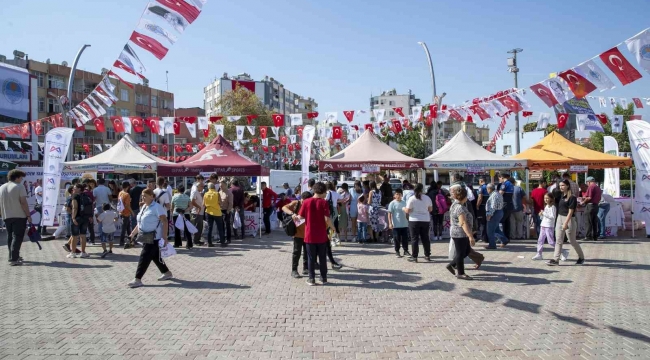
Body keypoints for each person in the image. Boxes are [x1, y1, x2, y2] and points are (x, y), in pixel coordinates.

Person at [127, 188, 172, 288]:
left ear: (152, 197)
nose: (143, 198)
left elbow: (164, 221)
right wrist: (133, 233)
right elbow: (140, 222)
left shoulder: (157, 207)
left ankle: (137, 279)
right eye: (142, 196)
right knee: (155, 256)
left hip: (154, 237)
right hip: (145, 236)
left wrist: (165, 236)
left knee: (144, 256)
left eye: (145, 196)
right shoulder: (144, 207)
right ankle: (166, 272)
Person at [298, 182, 336, 286]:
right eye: (325, 192)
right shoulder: (324, 202)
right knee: (322, 257)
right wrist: (334, 228)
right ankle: (323, 278)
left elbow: (300, 217)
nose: (325, 194)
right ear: (323, 191)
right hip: (321, 235)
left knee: (311, 258)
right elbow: (327, 219)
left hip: (309, 235)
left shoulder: (306, 202)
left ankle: (311, 279)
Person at [547, 179, 585, 266]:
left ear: (568, 186)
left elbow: (571, 212)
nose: (561, 187)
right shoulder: (560, 195)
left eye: (563, 185)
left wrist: (565, 223)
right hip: (560, 217)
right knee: (558, 240)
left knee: (572, 241)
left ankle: (581, 257)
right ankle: (555, 259)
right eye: (560, 185)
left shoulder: (572, 197)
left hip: (569, 219)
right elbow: (553, 193)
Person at [0, 169, 31, 266]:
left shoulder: (2, 187)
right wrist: (28, 215)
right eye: (21, 178)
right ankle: (13, 258)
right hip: (19, 215)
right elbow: (23, 202)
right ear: (17, 177)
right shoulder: (19, 186)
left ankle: (13, 255)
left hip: (6, 215)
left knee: (10, 236)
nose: (21, 180)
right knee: (17, 237)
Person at [445, 186, 476, 280]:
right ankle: (460, 273)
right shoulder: (459, 207)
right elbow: (463, 222)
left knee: (466, 251)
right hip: (460, 233)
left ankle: (453, 264)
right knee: (460, 253)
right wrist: (470, 236)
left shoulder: (456, 204)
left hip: (460, 232)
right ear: (464, 197)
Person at [282, 191, 311, 278]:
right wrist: (292, 214)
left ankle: (306, 268)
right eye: (302, 201)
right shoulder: (296, 203)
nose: (303, 203)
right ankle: (294, 270)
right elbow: (284, 207)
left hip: (308, 233)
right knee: (296, 252)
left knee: (307, 252)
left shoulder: (310, 205)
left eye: (305, 201)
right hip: (297, 233)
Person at [404, 183, 432, 262]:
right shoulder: (427, 198)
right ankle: (427, 255)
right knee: (425, 238)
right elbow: (430, 209)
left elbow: (408, 210)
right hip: (425, 220)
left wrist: (404, 209)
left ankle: (415, 257)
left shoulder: (412, 198)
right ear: (422, 189)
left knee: (414, 239)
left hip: (414, 220)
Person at [69, 183, 92, 259]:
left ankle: (73, 253)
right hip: (85, 218)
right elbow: (90, 206)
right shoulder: (86, 196)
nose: (73, 189)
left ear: (79, 189)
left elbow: (74, 208)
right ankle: (83, 252)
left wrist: (73, 218)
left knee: (74, 236)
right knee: (83, 235)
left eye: (75, 187)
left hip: (77, 218)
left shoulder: (75, 196)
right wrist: (90, 216)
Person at [533, 193, 556, 260]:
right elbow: (544, 217)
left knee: (550, 241)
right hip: (543, 225)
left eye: (547, 198)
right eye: (545, 198)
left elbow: (552, 217)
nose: (546, 200)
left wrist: (544, 213)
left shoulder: (553, 207)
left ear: (551, 199)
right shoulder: (546, 206)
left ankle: (562, 251)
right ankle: (539, 254)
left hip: (549, 226)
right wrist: (541, 215)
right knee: (540, 240)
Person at [485, 183, 508, 249]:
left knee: (490, 230)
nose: (487, 190)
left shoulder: (494, 195)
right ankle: (504, 239)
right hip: (499, 212)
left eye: (487, 189)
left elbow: (493, 206)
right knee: (496, 229)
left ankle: (492, 245)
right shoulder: (497, 194)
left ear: (489, 189)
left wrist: (489, 214)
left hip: (495, 213)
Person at [388, 188, 409, 258]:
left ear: (402, 195)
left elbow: (407, 213)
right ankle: (397, 251)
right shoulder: (392, 203)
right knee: (396, 239)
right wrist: (390, 223)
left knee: (405, 238)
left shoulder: (404, 202)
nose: (398, 196)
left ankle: (406, 250)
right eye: (397, 194)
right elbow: (389, 214)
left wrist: (408, 220)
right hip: (396, 225)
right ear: (394, 195)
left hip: (404, 224)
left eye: (400, 194)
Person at [581, 176, 602, 242]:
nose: (587, 184)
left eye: (587, 183)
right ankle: (595, 236)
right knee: (594, 221)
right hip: (596, 205)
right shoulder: (597, 187)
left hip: (590, 206)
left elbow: (589, 197)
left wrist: (582, 202)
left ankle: (588, 236)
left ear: (589, 182)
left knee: (588, 221)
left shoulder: (591, 187)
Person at [171, 185, 192, 249]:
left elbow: (172, 207)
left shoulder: (174, 197)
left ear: (177, 190)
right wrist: (185, 210)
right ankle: (189, 244)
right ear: (184, 190)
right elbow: (190, 206)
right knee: (187, 229)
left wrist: (172, 213)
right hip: (185, 214)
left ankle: (177, 243)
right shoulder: (187, 197)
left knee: (177, 229)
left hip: (176, 214)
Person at [204, 183, 225, 247]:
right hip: (217, 213)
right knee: (220, 228)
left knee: (209, 228)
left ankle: (209, 243)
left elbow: (203, 204)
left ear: (208, 188)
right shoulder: (217, 193)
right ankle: (222, 243)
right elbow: (221, 203)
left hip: (208, 212)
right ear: (214, 188)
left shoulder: (205, 194)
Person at [118, 181, 133, 248]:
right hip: (126, 212)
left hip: (121, 212)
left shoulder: (120, 193)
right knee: (124, 228)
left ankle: (130, 240)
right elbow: (127, 205)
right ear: (128, 187)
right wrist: (132, 212)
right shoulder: (127, 194)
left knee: (127, 228)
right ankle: (121, 241)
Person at [190, 181, 205, 246]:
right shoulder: (195, 192)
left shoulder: (199, 193)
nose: (202, 187)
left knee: (200, 227)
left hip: (200, 212)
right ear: (197, 186)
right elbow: (192, 202)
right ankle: (195, 240)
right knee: (196, 227)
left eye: (203, 186)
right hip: (196, 212)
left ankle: (197, 240)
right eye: (201, 186)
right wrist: (198, 207)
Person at [476, 177, 490, 242]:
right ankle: (487, 237)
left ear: (481, 181)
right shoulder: (489, 187)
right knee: (488, 222)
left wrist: (477, 205)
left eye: (479, 181)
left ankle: (483, 237)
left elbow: (480, 197)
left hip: (482, 207)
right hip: (489, 207)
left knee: (482, 223)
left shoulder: (481, 187)